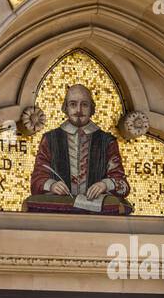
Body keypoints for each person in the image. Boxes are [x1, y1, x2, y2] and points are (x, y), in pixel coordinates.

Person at [28, 83, 131, 213]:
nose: (79, 110)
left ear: (92, 108)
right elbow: (37, 179)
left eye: (84, 104)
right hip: (59, 211)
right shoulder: (50, 139)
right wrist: (52, 185)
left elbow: (123, 185)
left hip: (96, 213)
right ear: (65, 107)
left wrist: (104, 184)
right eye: (73, 104)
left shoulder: (107, 141)